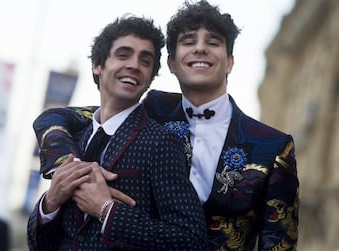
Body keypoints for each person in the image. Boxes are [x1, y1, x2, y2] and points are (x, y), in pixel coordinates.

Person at [31, 1, 300, 250]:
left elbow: (280, 244)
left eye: (213, 42)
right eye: (188, 41)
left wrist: (104, 207)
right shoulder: (152, 107)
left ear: (230, 61)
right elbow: (54, 118)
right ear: (171, 63)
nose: (200, 48)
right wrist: (69, 168)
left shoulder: (273, 147)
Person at [27, 15, 207, 251]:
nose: (134, 65)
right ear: (98, 65)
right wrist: (49, 203)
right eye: (123, 55)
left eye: (145, 61)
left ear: (150, 78)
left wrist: (107, 210)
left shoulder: (161, 142)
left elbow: (191, 240)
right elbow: (40, 244)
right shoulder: (74, 139)